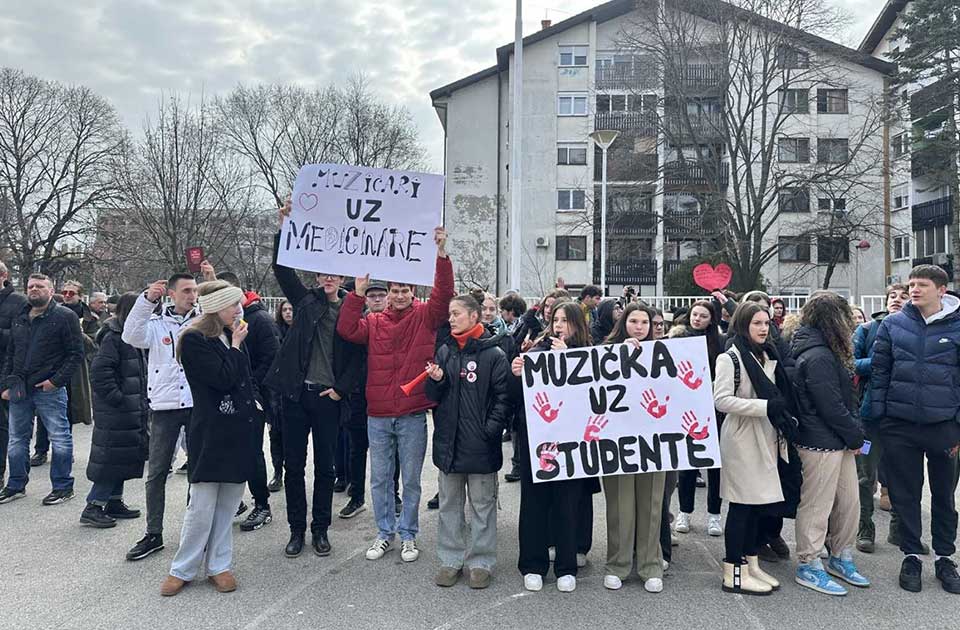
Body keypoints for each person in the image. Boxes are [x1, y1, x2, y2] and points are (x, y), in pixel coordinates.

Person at [337, 227, 454, 565]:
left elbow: (444, 296)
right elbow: (346, 330)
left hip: (413, 413)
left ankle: (408, 535)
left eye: (404, 290)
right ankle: (384, 532)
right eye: (394, 291)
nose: (399, 295)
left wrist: (441, 256)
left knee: (412, 480)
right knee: (380, 479)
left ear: (412, 291)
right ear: (387, 293)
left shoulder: (426, 317)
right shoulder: (373, 322)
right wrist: (356, 295)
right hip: (378, 415)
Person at [266, 212, 365, 560]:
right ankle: (296, 531)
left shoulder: (355, 309)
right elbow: (281, 269)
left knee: (326, 467)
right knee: (294, 466)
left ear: (343, 278)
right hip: (296, 395)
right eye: (323, 272)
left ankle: (320, 529)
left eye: (334, 273)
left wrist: (341, 389)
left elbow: (358, 357)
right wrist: (284, 229)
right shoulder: (305, 301)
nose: (327, 278)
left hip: (328, 397)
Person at [160, 281, 259, 597]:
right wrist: (236, 346)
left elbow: (245, 376)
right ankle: (183, 568)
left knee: (228, 504)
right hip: (211, 431)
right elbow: (222, 378)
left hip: (238, 429)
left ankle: (219, 565)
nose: (238, 311)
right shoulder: (194, 339)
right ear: (217, 308)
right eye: (233, 305)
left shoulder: (230, 335)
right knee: (201, 506)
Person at [871, 264, 960, 594]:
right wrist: (880, 419)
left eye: (922, 284)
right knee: (905, 495)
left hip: (944, 427)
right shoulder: (893, 325)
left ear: (942, 290)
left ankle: (945, 558)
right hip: (900, 425)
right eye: (911, 284)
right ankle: (911, 556)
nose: (914, 289)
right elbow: (880, 375)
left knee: (944, 496)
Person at [426, 294, 511, 589]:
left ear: (474, 317)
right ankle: (450, 560)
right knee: (449, 504)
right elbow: (432, 397)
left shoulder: (494, 354)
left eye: (457, 313)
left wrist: (489, 431)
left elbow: (504, 399)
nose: (451, 318)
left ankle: (481, 562)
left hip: (481, 446)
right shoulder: (445, 351)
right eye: (450, 314)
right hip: (449, 444)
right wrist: (435, 380)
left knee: (482, 505)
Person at [510, 302, 592, 593]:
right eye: (555, 319)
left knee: (567, 504)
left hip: (572, 444)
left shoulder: (588, 353)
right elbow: (518, 398)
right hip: (538, 441)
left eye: (565, 320)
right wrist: (517, 372)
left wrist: (569, 362)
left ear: (577, 325)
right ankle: (533, 564)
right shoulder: (537, 351)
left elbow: (593, 396)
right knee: (534, 503)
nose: (558, 325)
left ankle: (566, 566)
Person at [791, 292, 869, 596]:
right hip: (819, 442)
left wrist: (852, 436)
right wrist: (855, 437)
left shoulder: (823, 350)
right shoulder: (819, 355)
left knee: (850, 502)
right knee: (817, 506)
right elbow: (831, 406)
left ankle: (840, 554)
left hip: (836, 440)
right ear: (835, 319)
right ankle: (808, 564)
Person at [714, 302, 793, 596]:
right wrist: (765, 407)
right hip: (742, 438)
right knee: (741, 505)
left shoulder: (767, 353)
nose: (763, 328)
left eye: (766, 323)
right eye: (757, 323)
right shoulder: (730, 358)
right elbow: (721, 400)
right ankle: (733, 570)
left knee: (757, 507)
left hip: (767, 435)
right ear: (744, 325)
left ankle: (750, 564)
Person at [121, 273, 199, 561]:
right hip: (164, 407)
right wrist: (146, 301)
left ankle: (194, 532)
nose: (192, 296)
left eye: (195, 290)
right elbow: (131, 335)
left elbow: (233, 321)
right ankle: (153, 533)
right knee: (156, 473)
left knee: (198, 472)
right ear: (171, 293)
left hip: (195, 404)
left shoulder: (202, 321)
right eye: (186, 291)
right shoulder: (155, 325)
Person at [203, 264, 281, 533]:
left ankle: (262, 505)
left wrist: (252, 390)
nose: (233, 308)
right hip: (226, 403)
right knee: (230, 452)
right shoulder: (219, 328)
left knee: (252, 454)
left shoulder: (257, 321)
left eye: (234, 301)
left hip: (251, 398)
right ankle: (234, 501)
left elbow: (268, 359)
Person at [600, 302, 667, 593]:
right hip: (617, 442)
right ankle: (618, 563)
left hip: (654, 441)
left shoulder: (666, 354)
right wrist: (621, 357)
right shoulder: (606, 352)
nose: (639, 327)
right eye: (634, 321)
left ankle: (651, 564)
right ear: (624, 323)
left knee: (652, 505)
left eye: (644, 322)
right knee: (619, 505)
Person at [0, 274, 84, 506]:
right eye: (30, 286)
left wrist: (55, 381)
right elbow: (11, 352)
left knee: (59, 437)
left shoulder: (65, 316)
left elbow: (75, 354)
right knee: (17, 439)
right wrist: (5, 384)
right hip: (19, 388)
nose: (34, 289)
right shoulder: (20, 316)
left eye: (40, 286)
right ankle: (15, 485)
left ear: (51, 289)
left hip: (49, 389)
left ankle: (63, 486)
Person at [81, 292, 148, 528]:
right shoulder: (115, 336)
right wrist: (118, 398)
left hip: (129, 406)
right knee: (111, 458)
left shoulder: (131, 334)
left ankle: (114, 500)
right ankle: (94, 505)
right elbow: (100, 372)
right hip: (117, 409)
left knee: (122, 456)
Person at [853, 283, 911, 554]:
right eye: (892, 296)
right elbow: (850, 363)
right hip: (870, 416)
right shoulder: (866, 330)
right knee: (865, 474)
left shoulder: (916, 331)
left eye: (903, 296)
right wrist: (878, 360)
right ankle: (865, 527)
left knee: (904, 474)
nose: (897, 300)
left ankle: (900, 530)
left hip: (904, 416)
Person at [338, 280, 402, 520]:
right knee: (357, 448)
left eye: (380, 295)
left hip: (387, 396)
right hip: (358, 394)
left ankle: (393, 494)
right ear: (365, 298)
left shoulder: (394, 322)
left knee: (391, 450)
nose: (376, 299)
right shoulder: (359, 323)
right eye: (371, 295)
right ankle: (356, 496)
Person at [669, 301, 725, 538]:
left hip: (714, 410)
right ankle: (685, 512)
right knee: (688, 465)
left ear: (711, 319)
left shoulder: (720, 343)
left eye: (703, 316)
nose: (697, 319)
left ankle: (714, 515)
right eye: (695, 314)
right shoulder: (678, 340)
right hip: (687, 410)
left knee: (715, 466)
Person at [30, 280, 97, 464]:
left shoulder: (91, 318)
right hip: (52, 367)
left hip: (75, 371)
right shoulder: (52, 312)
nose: (67, 296)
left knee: (67, 412)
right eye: (65, 293)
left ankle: (64, 449)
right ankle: (41, 450)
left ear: (80, 296)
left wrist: (77, 330)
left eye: (72, 293)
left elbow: (92, 346)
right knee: (44, 410)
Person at [0, 261, 27, 487]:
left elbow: (23, 337)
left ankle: (5, 475)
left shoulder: (18, 302)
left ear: (4, 276)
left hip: (5, 370)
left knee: (4, 426)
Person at [268, 299, 293, 492]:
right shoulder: (274, 331)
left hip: (295, 391)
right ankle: (278, 473)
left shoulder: (303, 331)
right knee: (275, 435)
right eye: (284, 309)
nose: (288, 313)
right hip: (276, 392)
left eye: (291, 309)